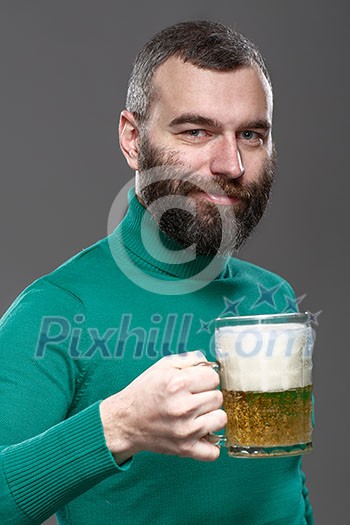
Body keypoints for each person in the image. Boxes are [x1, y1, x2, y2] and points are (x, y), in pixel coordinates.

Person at [0, 20, 313, 524]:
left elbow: (280, 493)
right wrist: (116, 427)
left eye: (251, 134)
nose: (230, 163)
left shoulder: (272, 299)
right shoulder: (57, 310)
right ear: (131, 138)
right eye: (196, 131)